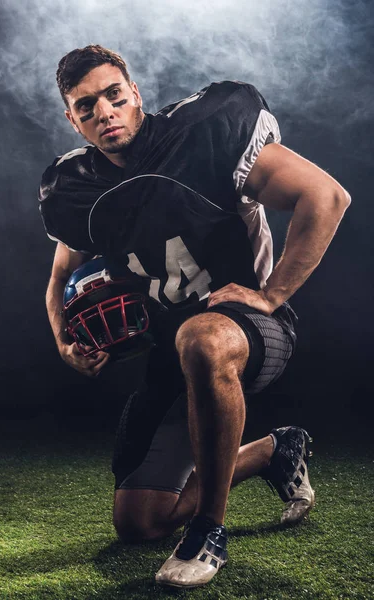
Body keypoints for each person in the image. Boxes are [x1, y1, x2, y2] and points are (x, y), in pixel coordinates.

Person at [38, 45, 350, 588]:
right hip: (170, 353)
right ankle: (276, 451)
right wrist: (66, 341)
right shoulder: (75, 188)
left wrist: (273, 296)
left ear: (134, 94)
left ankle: (210, 531)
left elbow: (326, 196)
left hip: (251, 330)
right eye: (86, 107)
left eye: (114, 96)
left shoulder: (203, 132)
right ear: (73, 119)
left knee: (201, 337)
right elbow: (59, 279)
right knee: (140, 521)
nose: (104, 112)